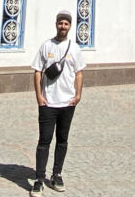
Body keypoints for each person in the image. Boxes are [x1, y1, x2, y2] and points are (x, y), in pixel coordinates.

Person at [30, 10, 85, 194]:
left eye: (66, 24)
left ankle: (56, 175)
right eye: (60, 23)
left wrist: (78, 95)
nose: (63, 26)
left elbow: (79, 73)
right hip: (48, 103)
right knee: (44, 141)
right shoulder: (46, 46)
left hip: (67, 103)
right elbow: (37, 71)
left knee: (62, 140)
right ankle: (39, 179)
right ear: (56, 24)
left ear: (70, 26)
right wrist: (39, 96)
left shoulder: (74, 48)